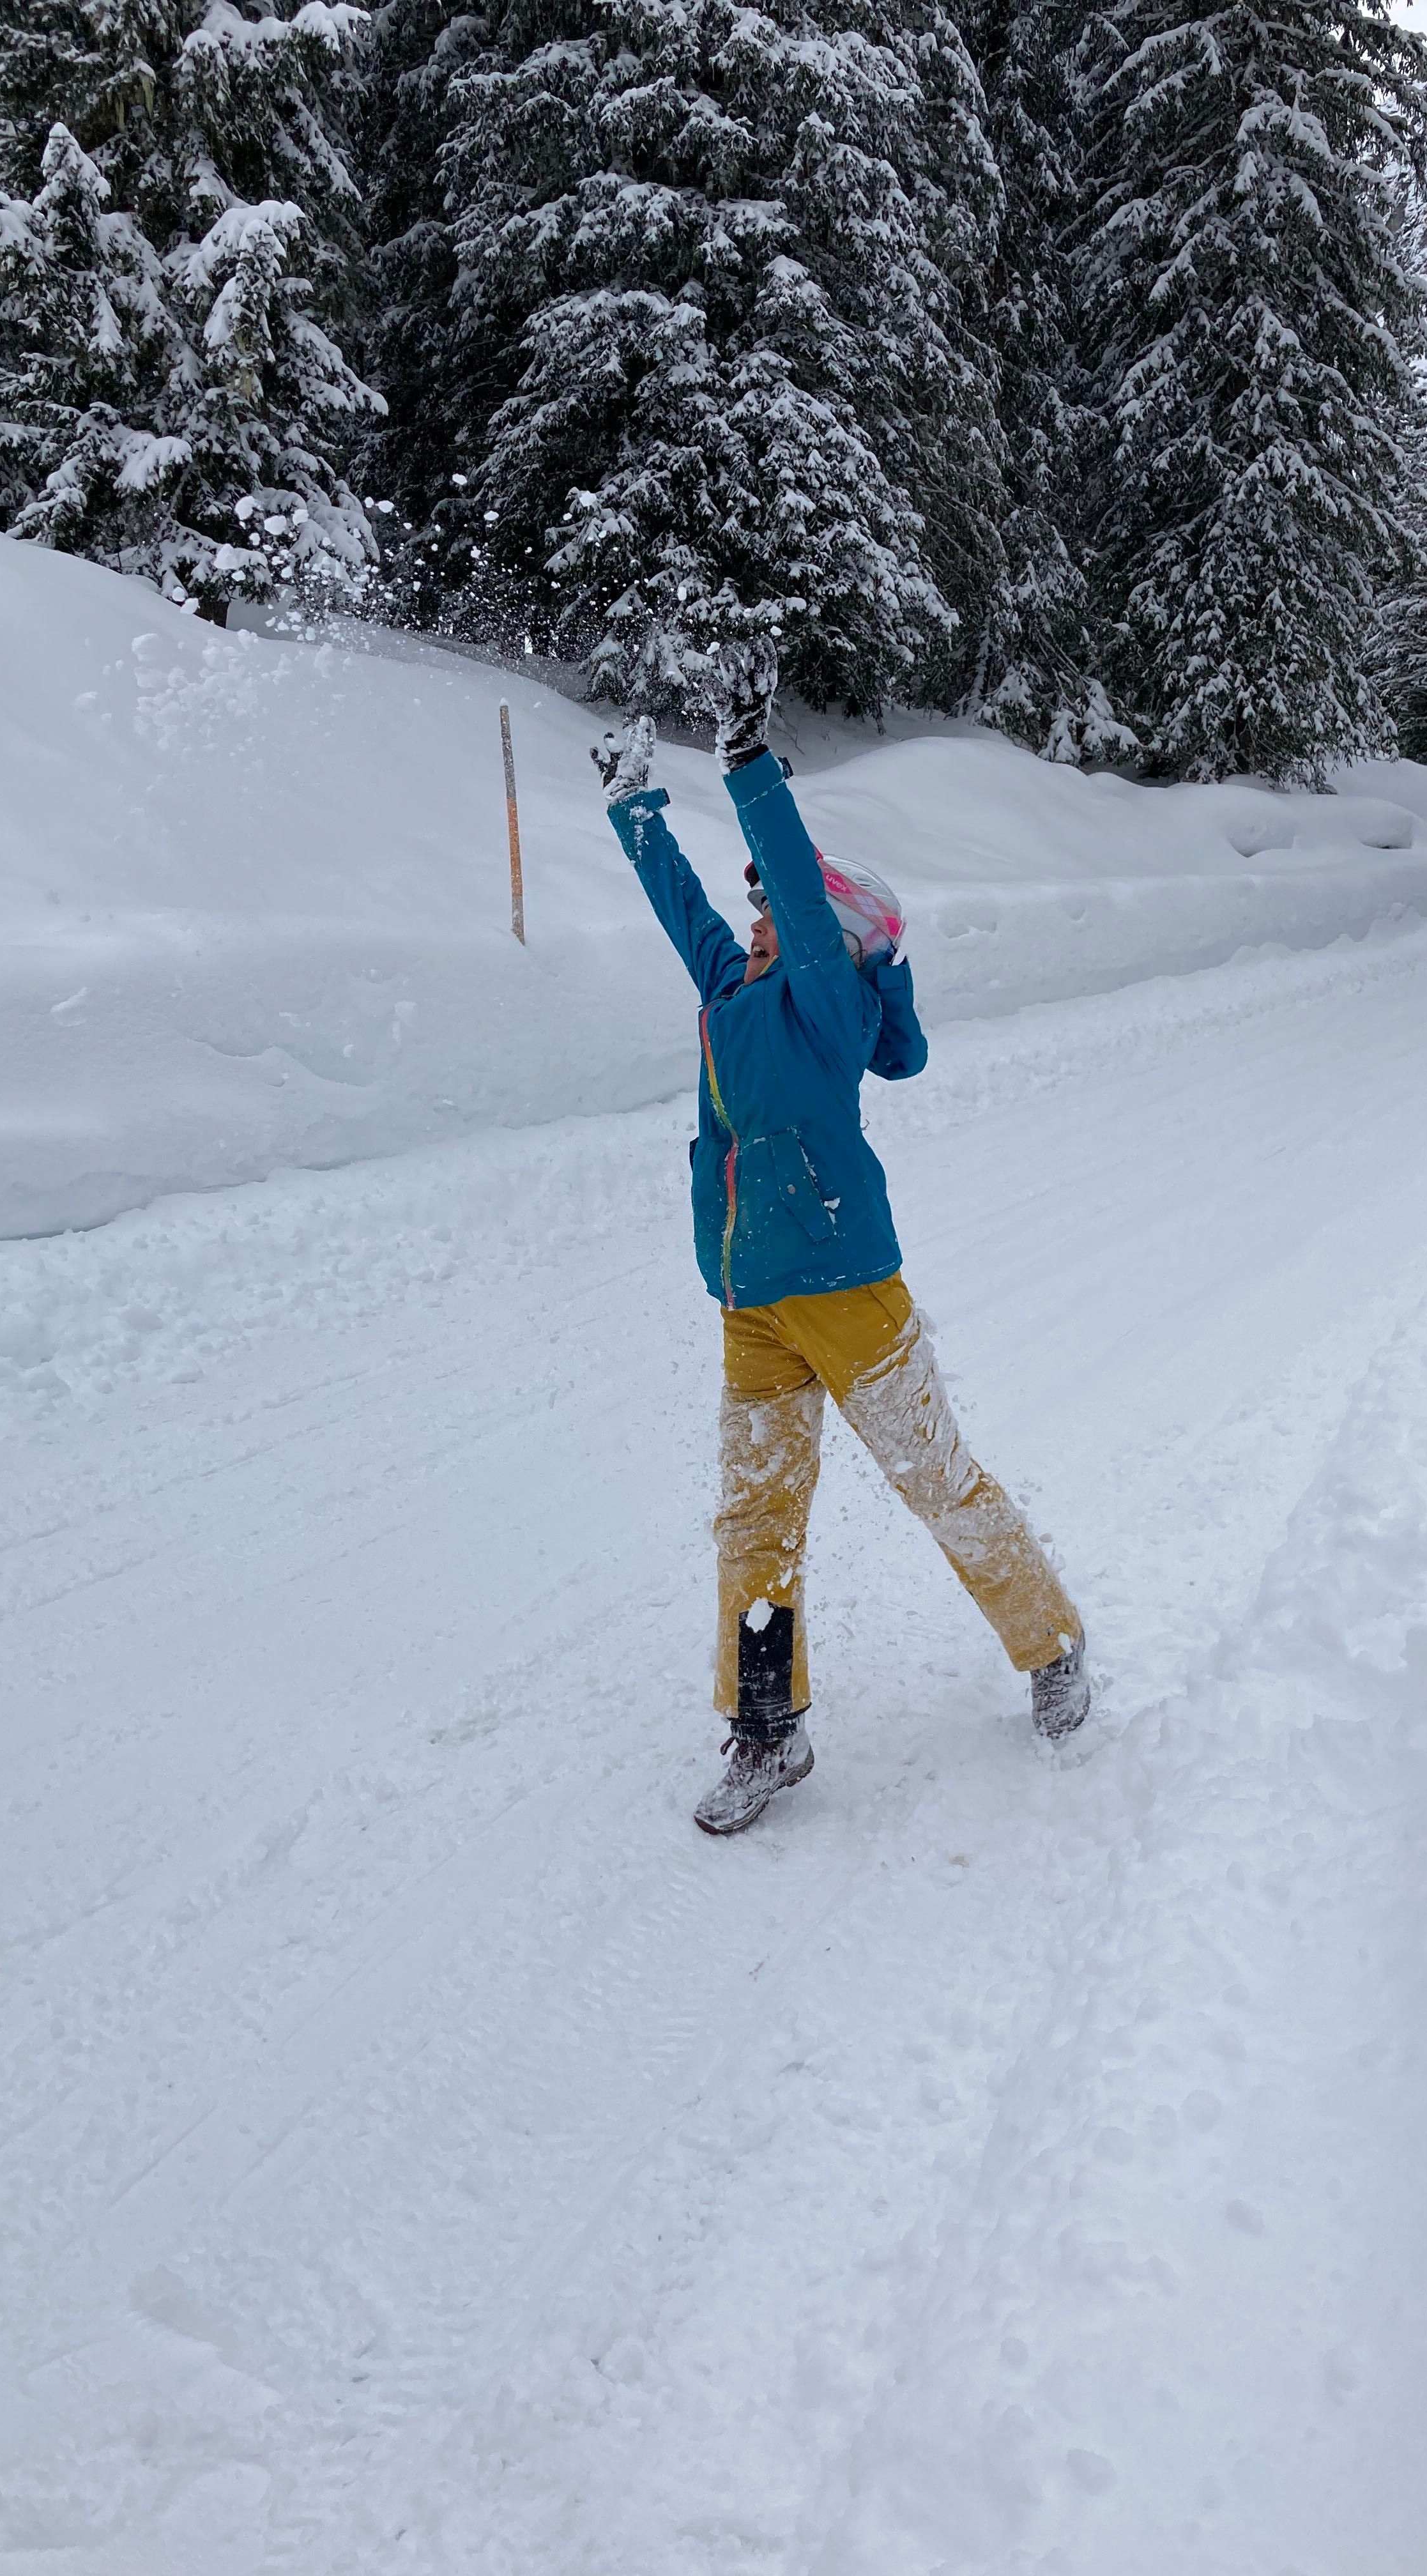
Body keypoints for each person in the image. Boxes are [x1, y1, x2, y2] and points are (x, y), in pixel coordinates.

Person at [594, 641, 1090, 1836]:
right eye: (761, 916)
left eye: (775, 912)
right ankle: (768, 1731)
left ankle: (1053, 1645)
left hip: (849, 1288)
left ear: (841, 942)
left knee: (936, 1480)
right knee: (754, 1520)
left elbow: (801, 903)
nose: (758, 923)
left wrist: (748, 764)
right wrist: (633, 810)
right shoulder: (735, 996)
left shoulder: (828, 1004)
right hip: (752, 1301)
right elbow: (687, 919)